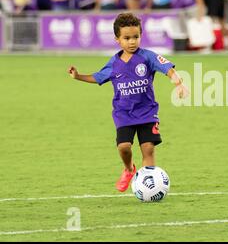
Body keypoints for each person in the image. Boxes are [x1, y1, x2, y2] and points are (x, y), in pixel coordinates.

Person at [67, 13, 189, 192]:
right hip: (123, 114)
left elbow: (167, 68)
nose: (132, 42)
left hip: (147, 112)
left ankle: (151, 187)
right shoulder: (114, 63)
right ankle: (129, 169)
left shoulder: (147, 57)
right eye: (127, 38)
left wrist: (178, 83)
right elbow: (98, 77)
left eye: (136, 37)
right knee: (124, 147)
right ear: (117, 39)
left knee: (148, 148)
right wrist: (78, 76)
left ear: (140, 35)